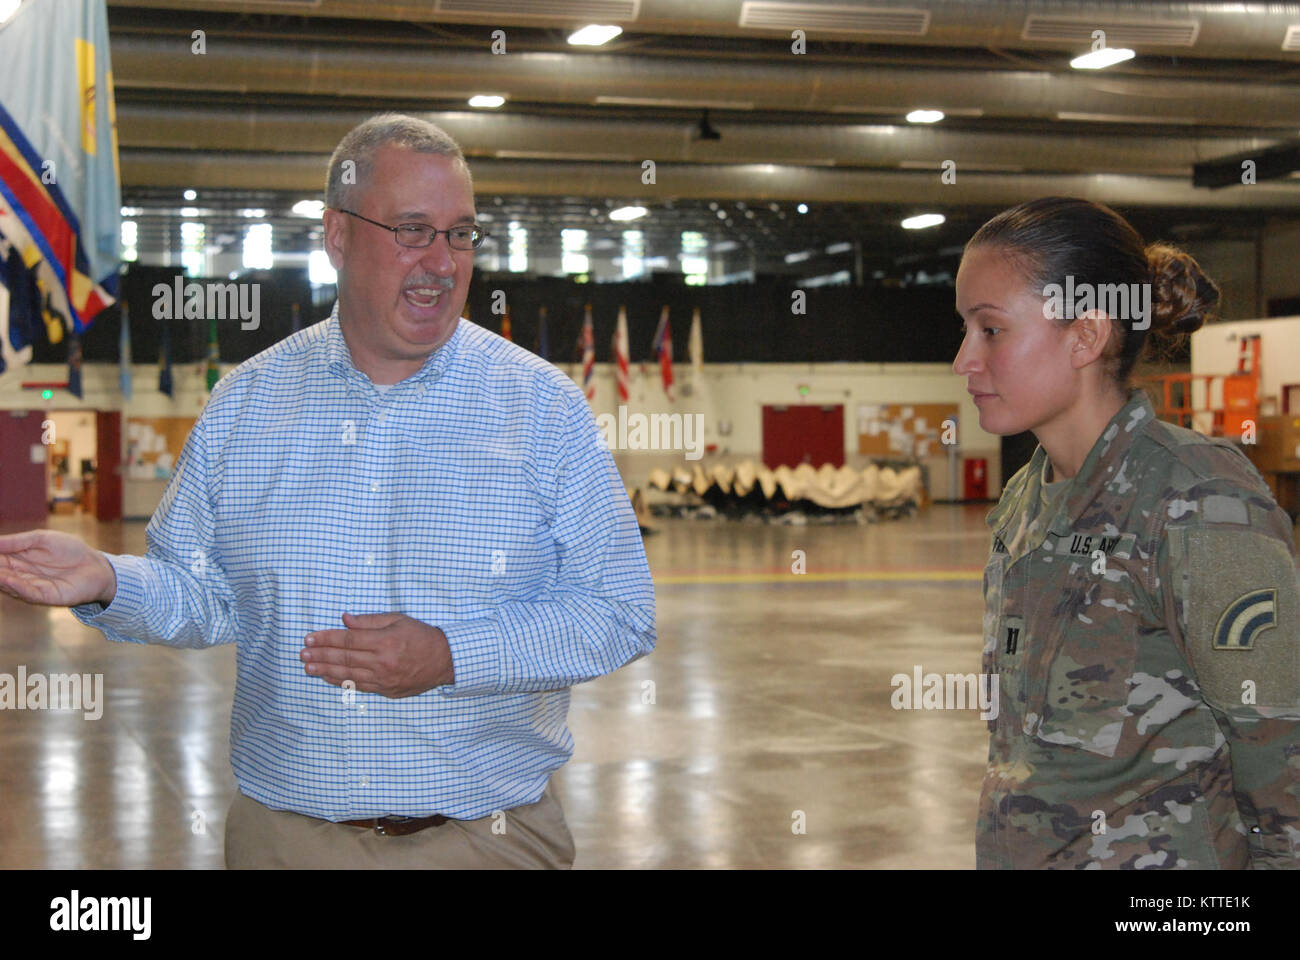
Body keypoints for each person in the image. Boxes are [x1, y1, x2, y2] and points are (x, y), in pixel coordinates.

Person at [0, 113, 656, 869]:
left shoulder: (543, 410)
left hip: (488, 841)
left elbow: (619, 612)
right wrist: (108, 580)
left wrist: (451, 654)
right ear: (338, 236)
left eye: (461, 234)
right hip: (287, 843)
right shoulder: (246, 405)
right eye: (412, 230)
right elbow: (204, 594)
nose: (442, 262)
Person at [953, 196, 1299, 869]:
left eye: (989, 330)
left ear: (1085, 335)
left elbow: (1283, 752)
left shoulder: (1196, 496)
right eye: (965, 329)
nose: (964, 359)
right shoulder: (1028, 498)